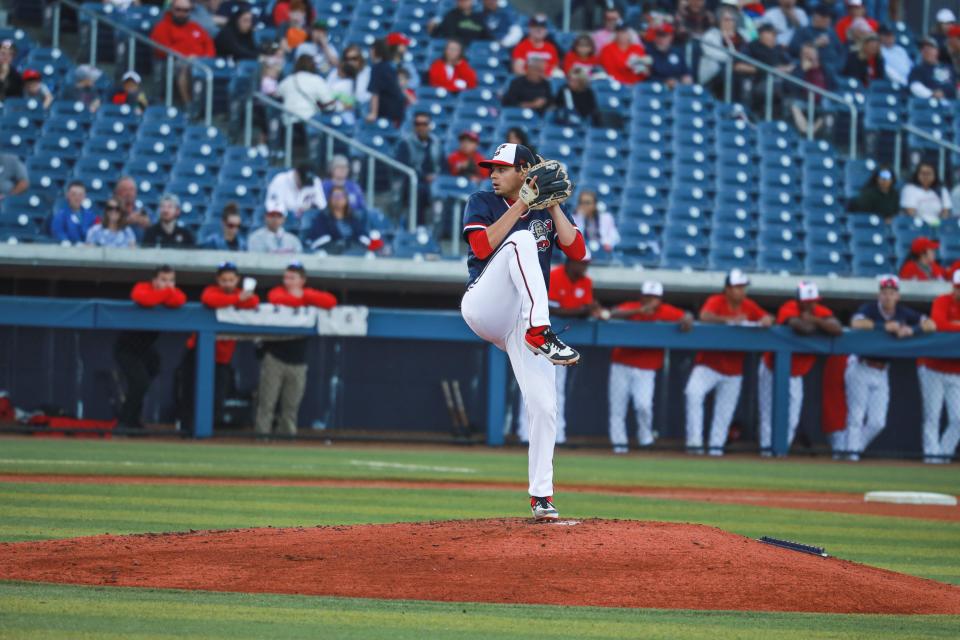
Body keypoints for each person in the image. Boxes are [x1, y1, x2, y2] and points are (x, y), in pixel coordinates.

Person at [460, 142, 585, 521]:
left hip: (523, 319)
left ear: (525, 170)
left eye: (502, 168)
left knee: (545, 407)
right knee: (521, 240)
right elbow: (480, 247)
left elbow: (577, 251)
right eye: (491, 169)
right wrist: (520, 207)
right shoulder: (482, 200)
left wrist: (552, 204)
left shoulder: (546, 210)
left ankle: (541, 496)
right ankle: (541, 331)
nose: (493, 175)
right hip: (486, 304)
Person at [841, 275, 935, 460]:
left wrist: (912, 330)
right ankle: (851, 458)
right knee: (856, 417)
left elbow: (931, 324)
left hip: (883, 370)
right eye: (884, 293)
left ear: (897, 296)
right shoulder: (870, 309)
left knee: (878, 422)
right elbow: (856, 322)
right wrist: (883, 326)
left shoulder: (903, 312)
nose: (888, 297)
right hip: (861, 366)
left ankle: (849, 451)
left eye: (892, 293)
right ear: (879, 295)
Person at [685, 269, 774, 456]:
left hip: (734, 369)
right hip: (708, 364)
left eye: (743, 287)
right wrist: (729, 320)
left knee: (724, 412)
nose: (741, 291)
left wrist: (767, 319)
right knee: (693, 393)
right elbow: (705, 316)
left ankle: (716, 449)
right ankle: (694, 445)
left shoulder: (749, 305)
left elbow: (767, 317)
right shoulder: (716, 300)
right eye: (737, 287)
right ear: (727, 289)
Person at [517, 258, 602, 446]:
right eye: (581, 263)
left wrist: (589, 310)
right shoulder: (553, 276)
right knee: (530, 387)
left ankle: (558, 434)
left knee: (557, 391)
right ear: (570, 262)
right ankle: (525, 433)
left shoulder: (586, 282)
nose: (584, 267)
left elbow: (585, 310)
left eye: (586, 263)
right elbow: (551, 309)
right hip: (538, 340)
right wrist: (582, 310)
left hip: (561, 345)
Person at [757, 281, 842, 457]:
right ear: (799, 300)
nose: (812, 304)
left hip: (796, 374)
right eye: (808, 301)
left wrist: (815, 319)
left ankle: (781, 453)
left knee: (792, 418)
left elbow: (837, 329)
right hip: (772, 369)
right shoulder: (788, 307)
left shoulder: (819, 312)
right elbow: (802, 328)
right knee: (768, 414)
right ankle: (766, 452)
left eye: (814, 300)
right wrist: (818, 325)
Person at [608, 281, 694, 453]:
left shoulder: (665, 311)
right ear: (642, 296)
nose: (650, 301)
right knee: (617, 407)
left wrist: (688, 318)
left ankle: (645, 439)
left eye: (654, 298)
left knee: (643, 405)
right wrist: (638, 311)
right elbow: (612, 313)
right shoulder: (632, 307)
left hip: (647, 368)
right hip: (621, 364)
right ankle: (619, 445)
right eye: (648, 296)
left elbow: (686, 315)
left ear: (660, 299)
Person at [177, 262, 260, 436]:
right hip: (197, 353)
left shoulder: (240, 293)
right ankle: (186, 430)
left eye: (231, 280)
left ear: (237, 280)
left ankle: (207, 431)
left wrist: (241, 297)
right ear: (218, 280)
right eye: (224, 280)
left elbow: (253, 301)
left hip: (222, 358)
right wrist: (238, 300)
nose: (228, 283)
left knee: (217, 397)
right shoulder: (213, 291)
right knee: (190, 393)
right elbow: (210, 300)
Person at [256, 262, 337, 438]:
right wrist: (301, 299)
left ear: (302, 280)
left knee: (291, 406)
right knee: (267, 403)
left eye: (292, 278)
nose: (288, 281)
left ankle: (286, 438)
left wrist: (305, 295)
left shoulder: (309, 293)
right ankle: (261, 438)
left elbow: (330, 302)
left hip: (299, 359)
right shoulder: (277, 291)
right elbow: (277, 299)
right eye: (286, 277)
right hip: (275, 356)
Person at [115, 265, 187, 430]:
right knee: (140, 383)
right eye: (163, 280)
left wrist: (165, 293)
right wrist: (167, 293)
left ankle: (132, 421)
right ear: (154, 280)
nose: (168, 284)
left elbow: (180, 300)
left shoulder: (169, 293)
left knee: (143, 382)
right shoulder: (142, 287)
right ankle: (124, 423)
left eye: (171, 280)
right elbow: (143, 298)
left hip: (147, 349)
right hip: (127, 346)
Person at [918, 271, 960, 463]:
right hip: (933, 367)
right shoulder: (942, 301)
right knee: (932, 415)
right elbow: (940, 324)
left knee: (958, 419)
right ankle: (931, 457)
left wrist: (955, 325)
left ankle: (942, 455)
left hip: (956, 371)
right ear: (953, 287)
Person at [150, 0, 216, 106]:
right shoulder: (162, 26)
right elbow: (162, 50)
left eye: (186, 10)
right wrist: (187, 57)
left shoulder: (195, 26)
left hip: (200, 61)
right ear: (172, 9)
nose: (182, 13)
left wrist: (204, 57)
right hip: (175, 62)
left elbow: (209, 45)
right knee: (186, 67)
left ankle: (210, 106)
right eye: (178, 9)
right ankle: (189, 104)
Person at [395, 112, 442, 222]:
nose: (421, 127)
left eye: (424, 124)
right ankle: (417, 227)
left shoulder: (436, 143)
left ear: (430, 125)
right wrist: (424, 176)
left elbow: (443, 166)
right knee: (419, 190)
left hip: (435, 181)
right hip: (414, 182)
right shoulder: (406, 143)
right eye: (418, 124)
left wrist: (436, 177)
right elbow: (403, 167)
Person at [306, 185, 383, 253]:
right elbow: (319, 240)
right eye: (335, 196)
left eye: (341, 196)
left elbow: (363, 236)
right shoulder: (323, 217)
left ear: (346, 199)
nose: (338, 199)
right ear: (330, 199)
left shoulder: (353, 218)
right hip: (331, 252)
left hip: (353, 252)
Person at [277, 54, 333, 124]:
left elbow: (277, 94)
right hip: (308, 121)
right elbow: (329, 104)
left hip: (288, 121)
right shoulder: (317, 80)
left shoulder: (288, 79)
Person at [699, 7, 747, 88]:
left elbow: (746, 54)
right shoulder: (710, 35)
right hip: (713, 74)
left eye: (732, 20)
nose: (729, 23)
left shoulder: (742, 36)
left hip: (736, 71)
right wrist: (727, 40)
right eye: (726, 19)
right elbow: (714, 54)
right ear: (719, 21)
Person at [789, 43, 830, 136]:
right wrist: (802, 70)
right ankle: (805, 130)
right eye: (805, 54)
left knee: (829, 106)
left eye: (810, 53)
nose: (808, 56)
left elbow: (833, 85)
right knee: (795, 105)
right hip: (805, 100)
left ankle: (813, 131)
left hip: (822, 100)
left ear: (817, 55)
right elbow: (790, 87)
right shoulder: (798, 68)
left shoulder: (824, 68)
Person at [788, 6, 844, 73]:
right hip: (812, 70)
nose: (827, 20)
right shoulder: (803, 31)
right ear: (815, 16)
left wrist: (837, 68)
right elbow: (792, 49)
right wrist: (814, 43)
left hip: (833, 70)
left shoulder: (831, 33)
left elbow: (841, 52)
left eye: (829, 17)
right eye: (824, 17)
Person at [365, 38, 407, 125]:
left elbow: (375, 92)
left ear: (375, 51)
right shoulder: (389, 66)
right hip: (398, 109)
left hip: (388, 112)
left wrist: (373, 113)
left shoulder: (377, 68)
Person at [325, 44, 371, 122]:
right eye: (347, 59)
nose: (350, 62)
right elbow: (327, 92)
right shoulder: (336, 72)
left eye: (354, 59)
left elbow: (367, 96)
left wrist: (351, 103)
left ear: (360, 59)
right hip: (337, 110)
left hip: (360, 110)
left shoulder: (367, 72)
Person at [900, 162, 951, 227]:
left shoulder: (942, 190)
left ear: (934, 175)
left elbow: (945, 212)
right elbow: (910, 212)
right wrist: (926, 224)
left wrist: (938, 223)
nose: (926, 176)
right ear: (917, 174)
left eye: (929, 173)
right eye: (923, 173)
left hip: (938, 226)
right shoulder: (909, 189)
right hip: (917, 226)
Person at [648, 23, 693, 88]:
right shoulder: (648, 52)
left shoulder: (677, 52)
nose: (660, 39)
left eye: (664, 36)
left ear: (671, 37)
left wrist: (687, 78)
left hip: (678, 90)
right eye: (658, 35)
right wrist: (664, 82)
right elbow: (646, 77)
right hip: (656, 90)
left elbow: (686, 71)